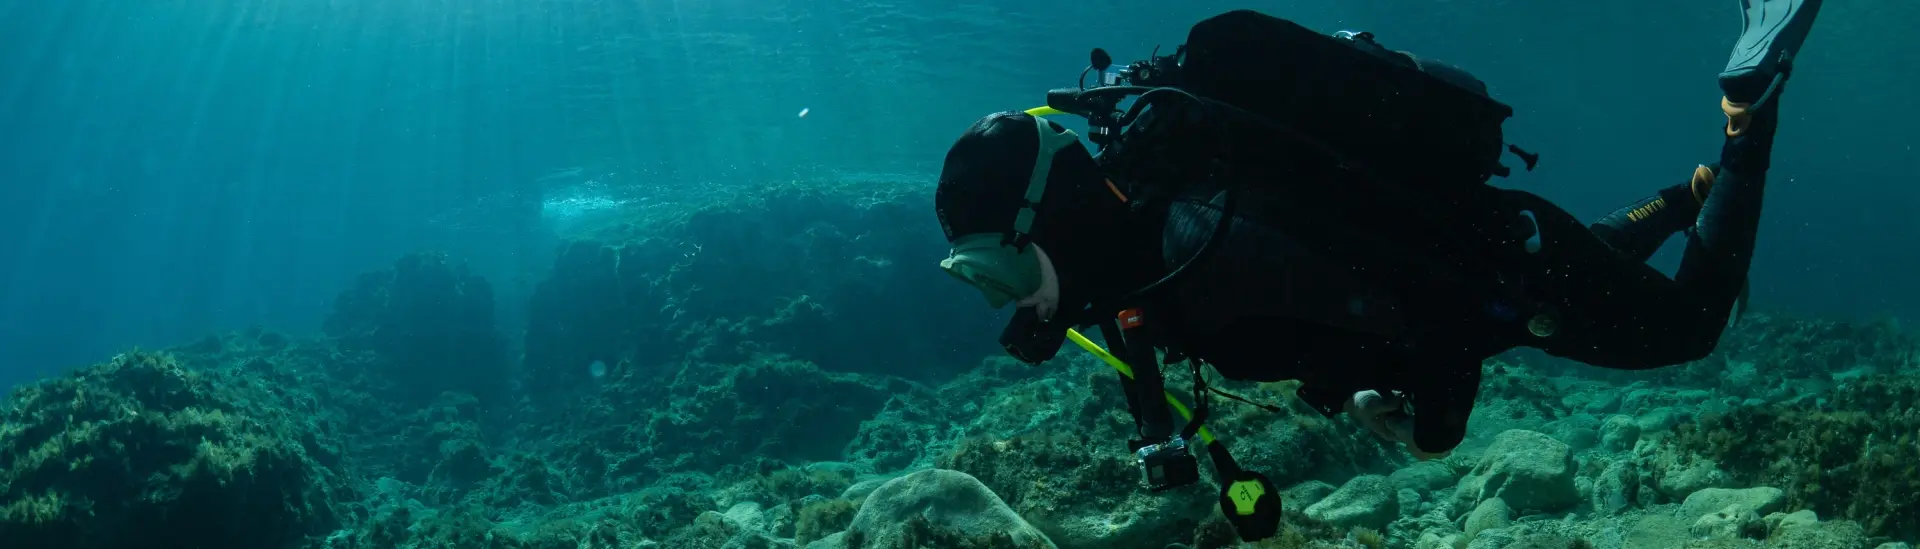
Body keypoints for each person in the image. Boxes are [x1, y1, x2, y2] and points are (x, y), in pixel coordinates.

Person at [932, 2, 1820, 469]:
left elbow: (1440, 317)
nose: (1015, 306)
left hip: (1493, 264)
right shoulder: (1147, 257)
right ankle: (1685, 195)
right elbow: (1322, 321)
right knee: (1560, 274)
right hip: (1497, 258)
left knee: (1686, 327)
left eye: (1001, 274)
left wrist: (1432, 429)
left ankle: (1748, 121)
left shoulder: (1199, 247)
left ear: (1050, 220)